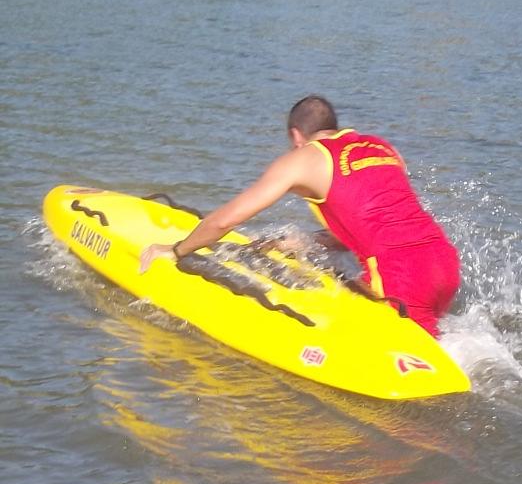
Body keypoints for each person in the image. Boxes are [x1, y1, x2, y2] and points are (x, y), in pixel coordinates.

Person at [140, 95, 460, 337]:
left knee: (413, 385)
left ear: (296, 136)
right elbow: (379, 221)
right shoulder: (382, 148)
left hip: (400, 277)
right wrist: (306, 242)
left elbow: (225, 221)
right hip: (444, 264)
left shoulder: (303, 160)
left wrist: (176, 250)